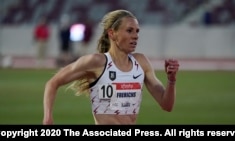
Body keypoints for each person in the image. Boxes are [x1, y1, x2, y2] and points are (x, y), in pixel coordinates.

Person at [43, 9, 180, 125]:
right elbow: (53, 83)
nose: (135, 36)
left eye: (137, 31)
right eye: (129, 31)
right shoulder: (96, 62)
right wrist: (48, 117)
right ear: (112, 33)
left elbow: (167, 105)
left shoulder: (141, 62)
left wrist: (171, 80)